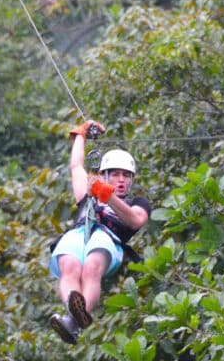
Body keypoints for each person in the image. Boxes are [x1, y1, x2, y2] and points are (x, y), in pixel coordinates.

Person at [48, 120, 151, 344]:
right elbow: (76, 166)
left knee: (91, 266)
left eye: (126, 175)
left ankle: (80, 315)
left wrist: (108, 196)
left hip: (108, 240)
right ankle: (72, 318)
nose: (121, 180)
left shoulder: (137, 202)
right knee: (69, 266)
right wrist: (81, 135)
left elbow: (135, 220)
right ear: (104, 175)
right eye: (115, 174)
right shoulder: (89, 191)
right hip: (79, 233)